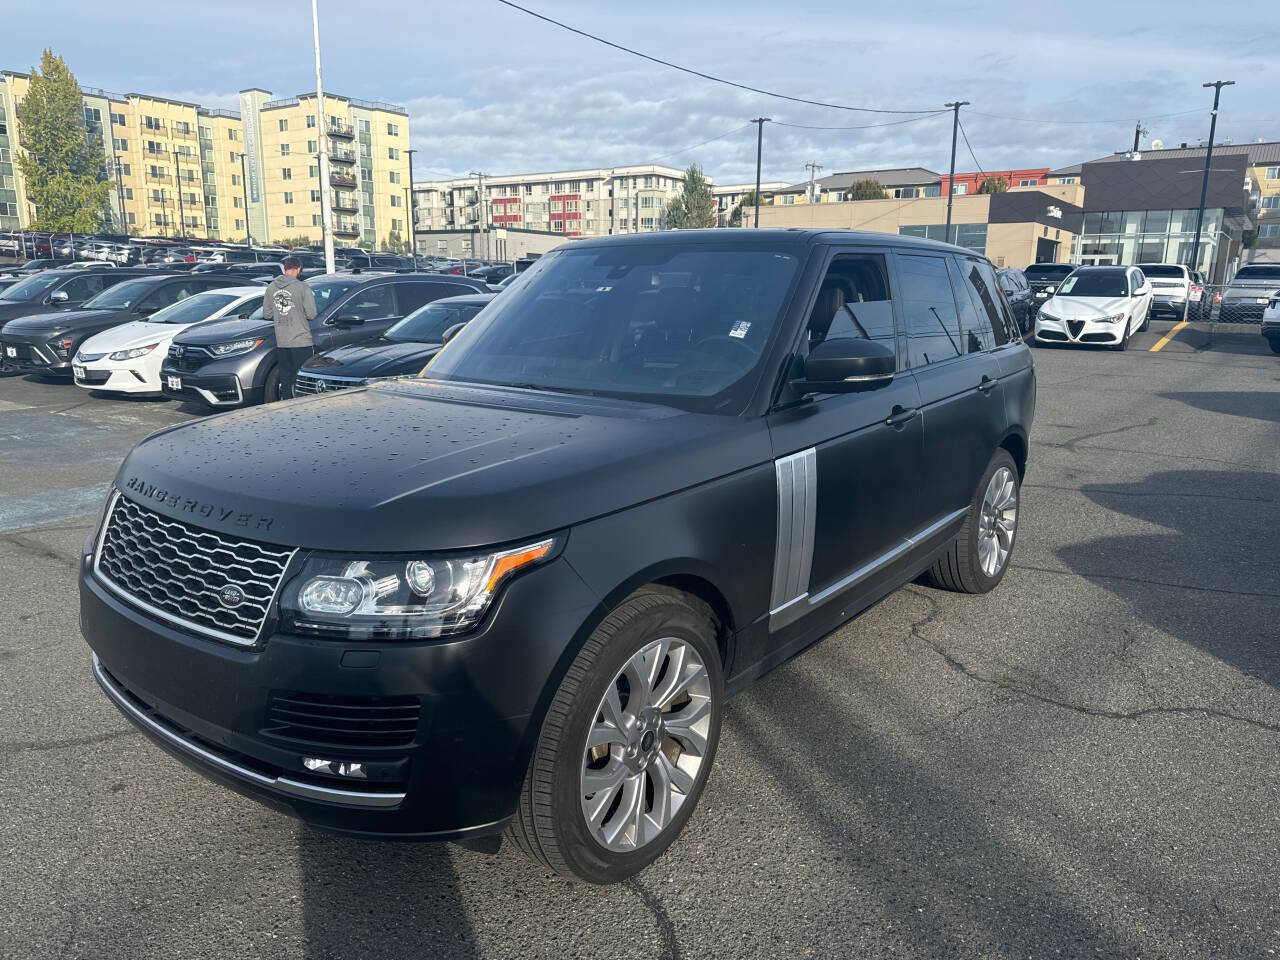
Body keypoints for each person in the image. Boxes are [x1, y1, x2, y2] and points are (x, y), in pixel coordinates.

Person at [262, 256, 317, 399]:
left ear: (285, 269)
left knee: (286, 379)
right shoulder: (303, 287)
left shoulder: (271, 287)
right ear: (298, 269)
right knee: (304, 378)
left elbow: (267, 314)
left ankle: (287, 409)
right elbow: (311, 314)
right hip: (301, 340)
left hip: (282, 341)